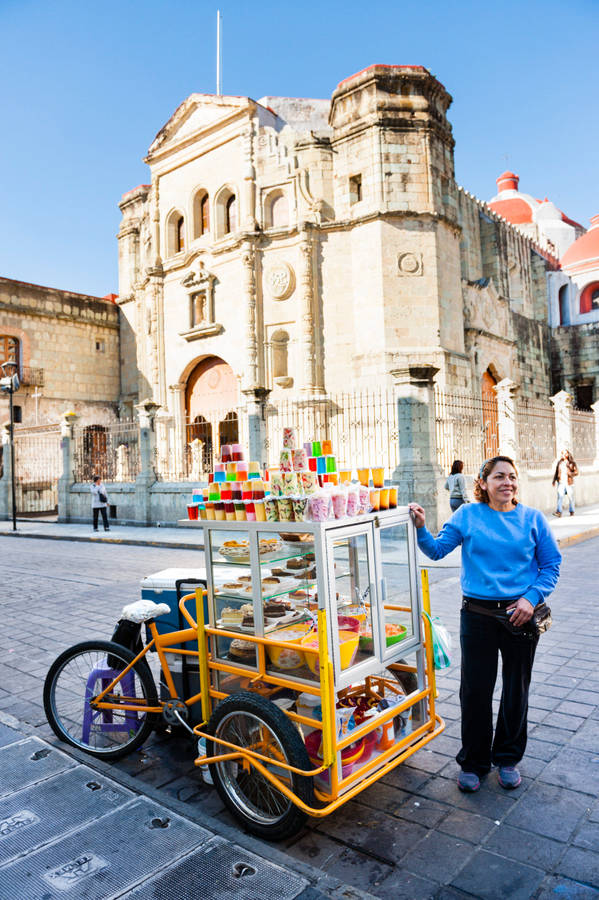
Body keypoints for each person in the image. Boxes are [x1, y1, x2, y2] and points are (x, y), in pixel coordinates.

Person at [409, 456, 561, 794]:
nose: (507, 482)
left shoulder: (532, 519)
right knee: (475, 690)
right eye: (498, 477)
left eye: (512, 477)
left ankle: (507, 757)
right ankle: (475, 762)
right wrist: (420, 527)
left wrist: (530, 598)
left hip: (520, 616)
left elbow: (551, 564)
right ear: (483, 483)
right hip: (476, 615)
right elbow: (436, 551)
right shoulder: (467, 515)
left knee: (515, 688)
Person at [552, 449, 578, 517]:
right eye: (562, 453)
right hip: (561, 483)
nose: (563, 455)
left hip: (569, 483)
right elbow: (556, 472)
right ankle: (559, 512)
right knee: (560, 497)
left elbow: (576, 472)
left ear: (567, 454)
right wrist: (554, 480)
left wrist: (570, 473)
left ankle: (572, 511)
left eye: (564, 453)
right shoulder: (560, 463)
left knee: (571, 498)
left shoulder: (571, 463)